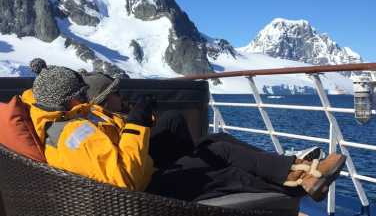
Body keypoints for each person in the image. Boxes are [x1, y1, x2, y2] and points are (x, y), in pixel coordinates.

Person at [26, 63, 347, 202]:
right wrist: (137, 123)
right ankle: (296, 186)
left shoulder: (68, 122)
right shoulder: (72, 135)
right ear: (70, 100)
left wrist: (138, 120)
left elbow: (113, 153)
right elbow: (123, 178)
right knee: (220, 163)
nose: (86, 99)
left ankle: (294, 172)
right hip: (139, 193)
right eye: (82, 94)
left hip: (140, 178)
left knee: (214, 143)